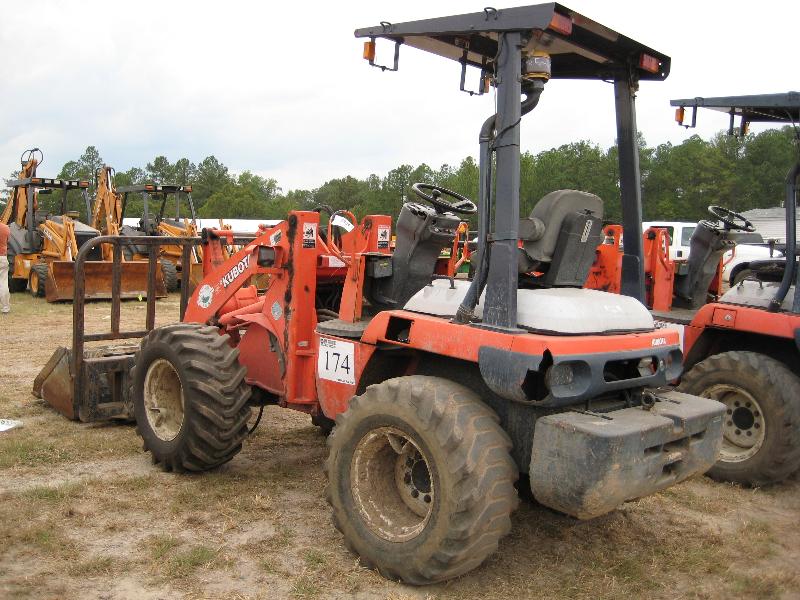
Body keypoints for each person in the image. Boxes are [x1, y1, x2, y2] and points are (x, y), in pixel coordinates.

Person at [0, 221, 10, 314]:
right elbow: (8, 241)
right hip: (2, 257)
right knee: (3, 283)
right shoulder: (5, 228)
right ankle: (5, 308)